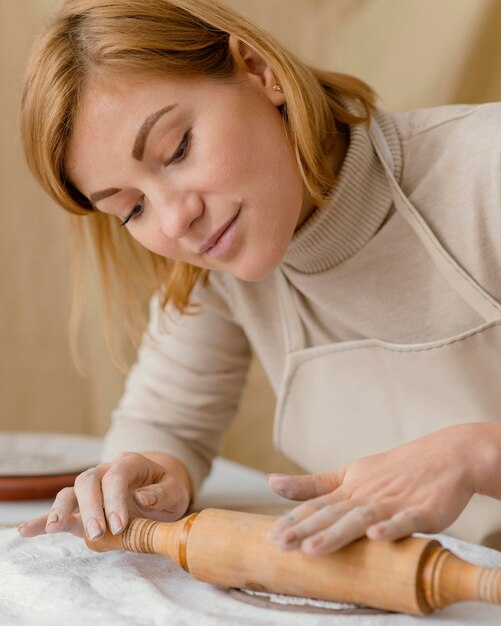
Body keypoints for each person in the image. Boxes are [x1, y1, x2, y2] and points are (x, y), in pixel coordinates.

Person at [17, 0, 501, 556]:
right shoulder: (214, 267)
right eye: (132, 209)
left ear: (258, 70)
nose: (176, 220)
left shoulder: (487, 169)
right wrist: (149, 470)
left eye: (177, 149)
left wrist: (479, 452)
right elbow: (164, 423)